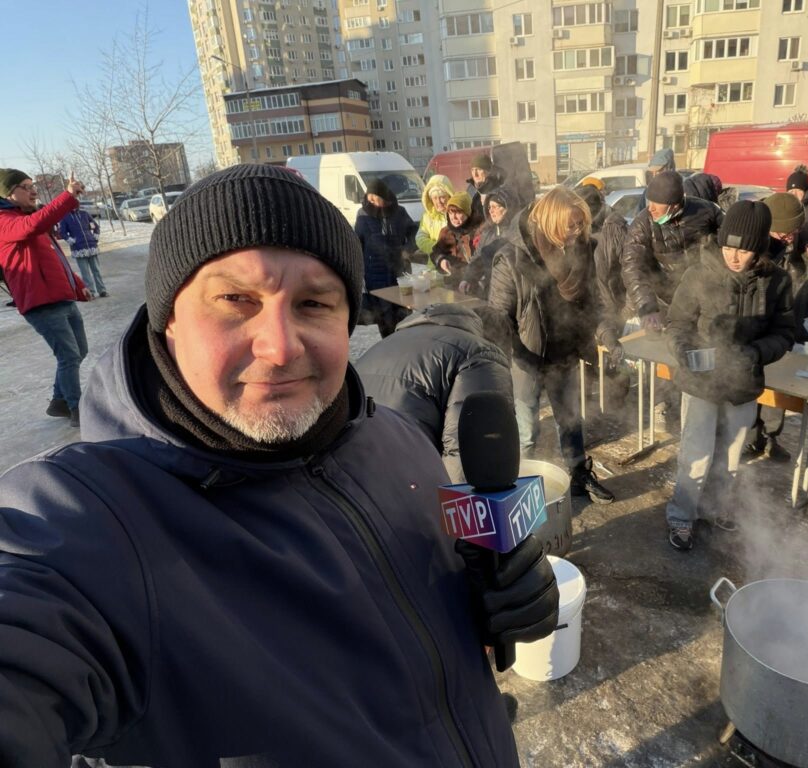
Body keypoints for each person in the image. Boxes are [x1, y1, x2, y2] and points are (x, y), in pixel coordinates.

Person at [0, 164, 557, 767]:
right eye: (236, 299)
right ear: (169, 317)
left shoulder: (395, 438)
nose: (281, 345)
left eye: (314, 303)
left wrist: (483, 595)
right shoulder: (91, 524)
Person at [664, 200, 795, 550]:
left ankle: (715, 508)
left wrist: (755, 353)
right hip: (701, 381)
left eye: (743, 250)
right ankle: (682, 515)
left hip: (743, 382)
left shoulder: (777, 281)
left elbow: (785, 333)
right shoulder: (699, 274)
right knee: (696, 454)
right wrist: (684, 351)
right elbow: (677, 323)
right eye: (728, 247)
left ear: (759, 249)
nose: (733, 257)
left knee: (730, 455)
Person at [489, 187, 615, 504]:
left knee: (571, 419)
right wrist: (507, 354)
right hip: (526, 357)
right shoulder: (512, 257)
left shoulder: (582, 250)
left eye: (580, 224)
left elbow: (593, 305)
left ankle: (579, 474)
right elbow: (498, 317)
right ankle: (521, 489)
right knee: (526, 430)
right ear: (550, 222)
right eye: (570, 225)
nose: (577, 231)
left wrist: (607, 335)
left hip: (565, 352)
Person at [356, 303, 514, 483]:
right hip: (404, 479)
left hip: (353, 476)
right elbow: (470, 458)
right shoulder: (480, 354)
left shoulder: (385, 343)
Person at [0, 169, 91, 427]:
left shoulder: (29, 218)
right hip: (40, 303)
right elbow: (32, 225)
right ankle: (77, 410)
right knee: (69, 356)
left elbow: (55, 258)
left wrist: (78, 284)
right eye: (26, 186)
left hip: (61, 297)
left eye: (33, 185)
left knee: (79, 351)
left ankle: (59, 402)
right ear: (9, 193)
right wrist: (67, 197)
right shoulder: (5, 221)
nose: (33, 191)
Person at [743, 192, 808, 462]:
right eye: (784, 234)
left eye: (794, 232)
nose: (790, 238)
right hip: (755, 316)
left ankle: (770, 437)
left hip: (787, 313)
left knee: (778, 379)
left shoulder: (801, 230)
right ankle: (749, 438)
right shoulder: (753, 237)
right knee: (751, 379)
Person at [621, 170, 723, 337]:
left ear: (674, 205)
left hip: (704, 300)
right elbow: (632, 266)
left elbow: (729, 243)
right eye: (649, 201)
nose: (651, 208)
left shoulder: (707, 211)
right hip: (665, 303)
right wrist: (648, 308)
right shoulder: (643, 223)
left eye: (657, 204)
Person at [353, 177, 417, 337]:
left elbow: (414, 233)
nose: (372, 203)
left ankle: (406, 342)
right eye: (370, 199)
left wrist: (407, 249)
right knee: (384, 315)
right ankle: (389, 343)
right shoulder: (362, 214)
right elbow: (357, 242)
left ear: (385, 198)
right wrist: (358, 269)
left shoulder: (399, 212)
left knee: (404, 313)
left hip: (399, 272)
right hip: (375, 274)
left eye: (376, 199)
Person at [577, 184, 630, 370]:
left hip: (614, 312)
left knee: (615, 370)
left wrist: (627, 312)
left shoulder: (614, 229)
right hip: (589, 312)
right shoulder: (580, 232)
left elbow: (633, 271)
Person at [461, 187, 514, 297]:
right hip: (489, 290)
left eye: (495, 206)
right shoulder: (487, 233)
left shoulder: (515, 233)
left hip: (509, 291)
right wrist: (467, 279)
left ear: (507, 208)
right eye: (489, 207)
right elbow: (477, 259)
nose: (491, 210)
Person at [431, 191, 484, 282]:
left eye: (458, 213)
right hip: (452, 282)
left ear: (468, 213)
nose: (453, 217)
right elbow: (436, 253)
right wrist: (441, 261)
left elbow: (483, 260)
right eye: (450, 213)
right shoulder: (446, 232)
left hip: (474, 282)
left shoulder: (479, 231)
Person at [58, 205, 108, 297]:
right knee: (85, 272)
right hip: (78, 248)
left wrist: (95, 236)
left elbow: (96, 226)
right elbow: (62, 232)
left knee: (96, 270)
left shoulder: (84, 214)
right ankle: (91, 292)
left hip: (91, 246)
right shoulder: (65, 217)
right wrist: (71, 240)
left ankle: (102, 290)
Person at [415, 174, 454, 255]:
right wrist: (436, 247)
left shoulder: (456, 214)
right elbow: (420, 238)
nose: (438, 202)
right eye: (435, 198)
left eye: (442, 197)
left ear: (449, 196)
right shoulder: (427, 216)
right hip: (434, 260)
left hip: (455, 259)